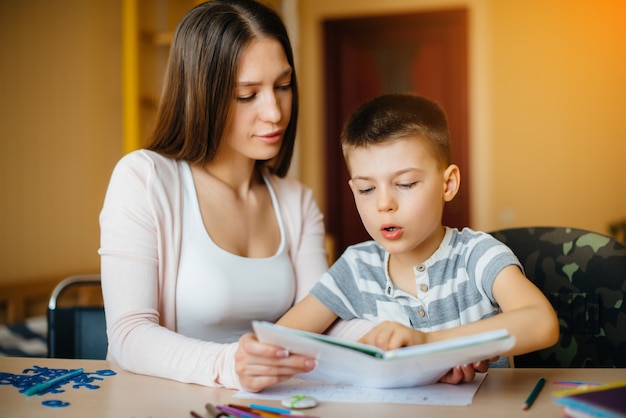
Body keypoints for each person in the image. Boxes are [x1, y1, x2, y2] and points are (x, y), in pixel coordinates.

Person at [98, 0, 372, 393]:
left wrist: (398, 343)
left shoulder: (296, 201)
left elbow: (325, 318)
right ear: (201, 96)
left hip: (271, 402)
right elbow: (128, 335)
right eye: (247, 95)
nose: (275, 113)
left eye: (282, 86)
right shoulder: (144, 178)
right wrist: (231, 364)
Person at [277, 93, 560, 381]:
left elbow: (540, 322)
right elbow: (278, 343)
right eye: (366, 189)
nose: (383, 204)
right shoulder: (355, 267)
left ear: (447, 184)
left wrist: (429, 346)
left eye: (405, 183)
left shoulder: (477, 255)